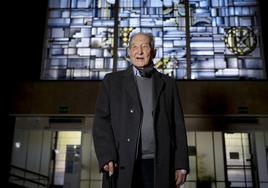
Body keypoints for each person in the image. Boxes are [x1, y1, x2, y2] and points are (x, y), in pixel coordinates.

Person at [93, 32, 189, 188]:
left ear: (154, 52)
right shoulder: (111, 82)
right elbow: (101, 122)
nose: (140, 51)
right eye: (135, 47)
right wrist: (107, 156)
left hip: (159, 164)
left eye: (145, 46)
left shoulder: (168, 84)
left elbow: (178, 126)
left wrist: (181, 164)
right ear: (129, 52)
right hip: (122, 162)